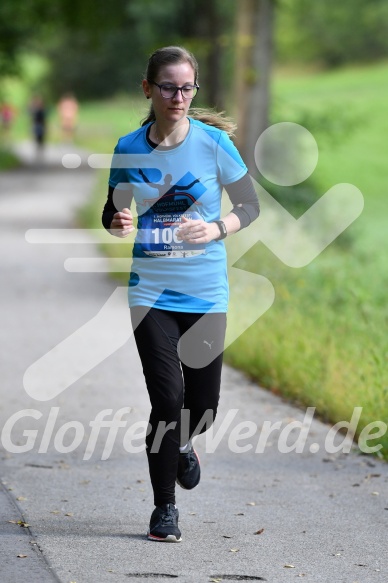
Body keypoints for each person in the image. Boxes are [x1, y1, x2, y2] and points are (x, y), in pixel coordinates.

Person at [102, 46, 259, 543]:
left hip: (206, 293)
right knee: (167, 399)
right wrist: (117, 220)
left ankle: (184, 444)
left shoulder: (213, 144)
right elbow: (114, 211)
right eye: (168, 86)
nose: (179, 96)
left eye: (187, 87)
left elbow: (250, 206)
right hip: (150, 292)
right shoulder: (129, 146)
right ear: (148, 89)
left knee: (203, 406)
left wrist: (215, 229)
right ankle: (164, 509)